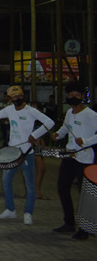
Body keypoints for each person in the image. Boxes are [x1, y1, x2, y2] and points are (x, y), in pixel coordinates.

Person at [0, 85, 54, 225]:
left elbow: (50, 122)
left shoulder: (31, 111)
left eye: (19, 96)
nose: (17, 98)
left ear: (23, 96)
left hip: (27, 153)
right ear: (10, 98)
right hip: (12, 153)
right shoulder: (9, 110)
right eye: (14, 97)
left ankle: (28, 213)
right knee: (6, 180)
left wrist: (35, 134)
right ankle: (10, 210)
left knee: (29, 185)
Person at [51, 81, 97, 240]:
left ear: (82, 96)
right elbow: (65, 128)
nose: (73, 96)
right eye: (70, 94)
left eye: (77, 94)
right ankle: (69, 223)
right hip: (70, 156)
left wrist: (85, 141)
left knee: (85, 195)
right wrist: (58, 134)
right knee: (62, 188)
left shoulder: (91, 115)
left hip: (85, 158)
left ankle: (85, 229)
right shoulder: (70, 112)